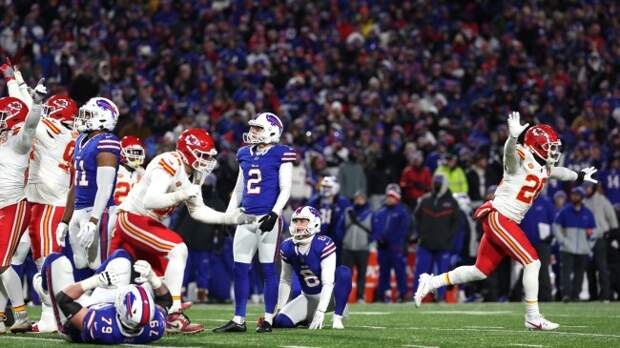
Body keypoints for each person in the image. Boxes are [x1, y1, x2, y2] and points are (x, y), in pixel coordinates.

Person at [415, 112, 598, 330]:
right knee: (533, 262)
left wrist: (578, 176)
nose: (554, 150)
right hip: (500, 217)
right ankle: (532, 316)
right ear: (537, 146)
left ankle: (431, 282)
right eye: (550, 146)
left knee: (480, 271)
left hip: (503, 220)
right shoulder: (520, 156)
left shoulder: (543, 166)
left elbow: (558, 172)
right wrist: (512, 138)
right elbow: (509, 158)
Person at [110, 128, 253, 333]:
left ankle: (162, 318)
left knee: (156, 281)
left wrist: (228, 218)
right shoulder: (169, 162)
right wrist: (181, 194)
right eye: (202, 155)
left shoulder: (195, 174)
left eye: (209, 157)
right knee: (178, 249)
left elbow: (198, 211)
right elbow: (151, 200)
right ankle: (174, 309)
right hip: (133, 217)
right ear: (188, 151)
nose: (207, 161)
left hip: (149, 222)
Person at [4, 62, 77, 333]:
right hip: (37, 197)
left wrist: (14, 80)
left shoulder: (52, 130)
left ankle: (51, 315)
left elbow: (27, 108)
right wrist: (17, 79)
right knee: (14, 257)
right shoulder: (68, 131)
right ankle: (5, 314)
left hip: (48, 202)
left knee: (45, 261)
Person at [215, 112, 294, 333]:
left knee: (268, 269)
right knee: (239, 268)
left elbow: (286, 189)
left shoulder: (281, 153)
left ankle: (268, 318)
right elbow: (239, 188)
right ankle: (238, 319)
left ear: (272, 131)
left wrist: (275, 214)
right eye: (253, 128)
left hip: (267, 217)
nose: (253, 132)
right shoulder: (244, 153)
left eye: (258, 128)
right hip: (246, 217)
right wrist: (229, 214)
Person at [36, 250, 169, 344]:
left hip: (75, 315)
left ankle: (45, 297)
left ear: (121, 309)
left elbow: (63, 299)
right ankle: (90, 290)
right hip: (102, 307)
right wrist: (153, 278)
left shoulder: (100, 326)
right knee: (121, 259)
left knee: (56, 261)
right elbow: (166, 301)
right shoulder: (154, 326)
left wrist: (94, 281)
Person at [0, 74, 47, 333]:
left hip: (13, 205)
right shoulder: (5, 138)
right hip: (1, 204)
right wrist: (11, 79)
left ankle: (20, 315)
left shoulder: (20, 140)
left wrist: (37, 105)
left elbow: (29, 126)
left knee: (2, 263)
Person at [56, 97, 121, 276]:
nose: (82, 118)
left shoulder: (107, 141)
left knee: (98, 264)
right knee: (79, 261)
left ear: (104, 119)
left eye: (89, 114)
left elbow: (105, 187)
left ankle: (102, 301)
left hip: (98, 210)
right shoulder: (82, 139)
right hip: (79, 209)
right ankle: (82, 302)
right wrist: (64, 220)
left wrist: (94, 221)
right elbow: (75, 183)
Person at [272, 206, 352, 330]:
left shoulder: (323, 243)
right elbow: (285, 280)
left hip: (331, 298)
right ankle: (307, 318)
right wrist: (280, 308)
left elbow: (328, 283)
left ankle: (338, 316)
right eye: (296, 221)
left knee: (344, 272)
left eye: (303, 221)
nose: (298, 225)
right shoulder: (287, 246)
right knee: (280, 322)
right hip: (308, 297)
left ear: (314, 223)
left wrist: (321, 311)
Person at [413, 173, 460, 302]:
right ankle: (418, 297)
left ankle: (440, 298)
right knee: (421, 273)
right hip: (425, 244)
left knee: (442, 274)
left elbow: (457, 224)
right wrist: (418, 234)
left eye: (439, 183)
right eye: (436, 183)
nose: (437, 185)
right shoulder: (425, 200)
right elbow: (416, 218)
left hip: (444, 245)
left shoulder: (452, 202)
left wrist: (450, 241)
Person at [554, 187, 597, 302]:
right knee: (565, 273)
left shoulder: (588, 213)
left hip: (582, 249)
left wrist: (589, 245)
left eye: (577, 195)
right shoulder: (564, 211)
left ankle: (575, 295)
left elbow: (593, 231)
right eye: (573, 194)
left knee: (579, 274)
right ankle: (566, 295)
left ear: (582, 197)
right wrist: (562, 241)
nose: (574, 197)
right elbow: (556, 227)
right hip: (567, 248)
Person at [373, 184, 411, 302]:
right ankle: (383, 294)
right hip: (383, 249)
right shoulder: (380, 212)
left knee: (400, 272)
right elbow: (376, 229)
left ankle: (403, 294)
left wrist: (392, 242)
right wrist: (379, 239)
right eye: (388, 196)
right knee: (384, 272)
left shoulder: (402, 212)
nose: (389, 199)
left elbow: (404, 230)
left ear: (397, 197)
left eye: (392, 196)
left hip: (396, 248)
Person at [583, 182, 618, 301]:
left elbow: (611, 217)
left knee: (601, 266)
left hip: (600, 238)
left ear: (593, 188)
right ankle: (593, 295)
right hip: (586, 240)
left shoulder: (602, 200)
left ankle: (605, 295)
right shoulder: (583, 201)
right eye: (585, 188)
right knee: (589, 268)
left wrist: (613, 234)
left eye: (588, 187)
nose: (587, 190)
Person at [518, 195, 556, 301]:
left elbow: (553, 222)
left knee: (543, 270)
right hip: (526, 243)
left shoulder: (546, 203)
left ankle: (546, 297)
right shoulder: (522, 202)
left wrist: (550, 237)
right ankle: (523, 296)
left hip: (543, 243)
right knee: (526, 270)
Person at [307, 176, 351, 263]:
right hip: (317, 239)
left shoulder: (343, 203)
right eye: (323, 186)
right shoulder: (313, 201)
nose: (325, 189)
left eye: (328, 187)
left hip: (337, 240)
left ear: (335, 188)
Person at [342, 191, 373, 302]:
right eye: (357, 198)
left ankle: (360, 296)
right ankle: (344, 296)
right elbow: (340, 227)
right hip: (347, 247)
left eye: (361, 198)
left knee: (362, 274)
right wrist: (343, 240)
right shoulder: (348, 211)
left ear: (365, 200)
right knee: (346, 275)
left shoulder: (369, 213)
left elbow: (375, 230)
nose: (359, 200)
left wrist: (368, 241)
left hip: (362, 248)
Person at [113, 135, 145, 206]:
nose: (136, 157)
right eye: (132, 152)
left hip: (133, 213)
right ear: (122, 152)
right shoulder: (114, 171)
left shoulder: (142, 173)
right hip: (113, 212)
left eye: (138, 153)